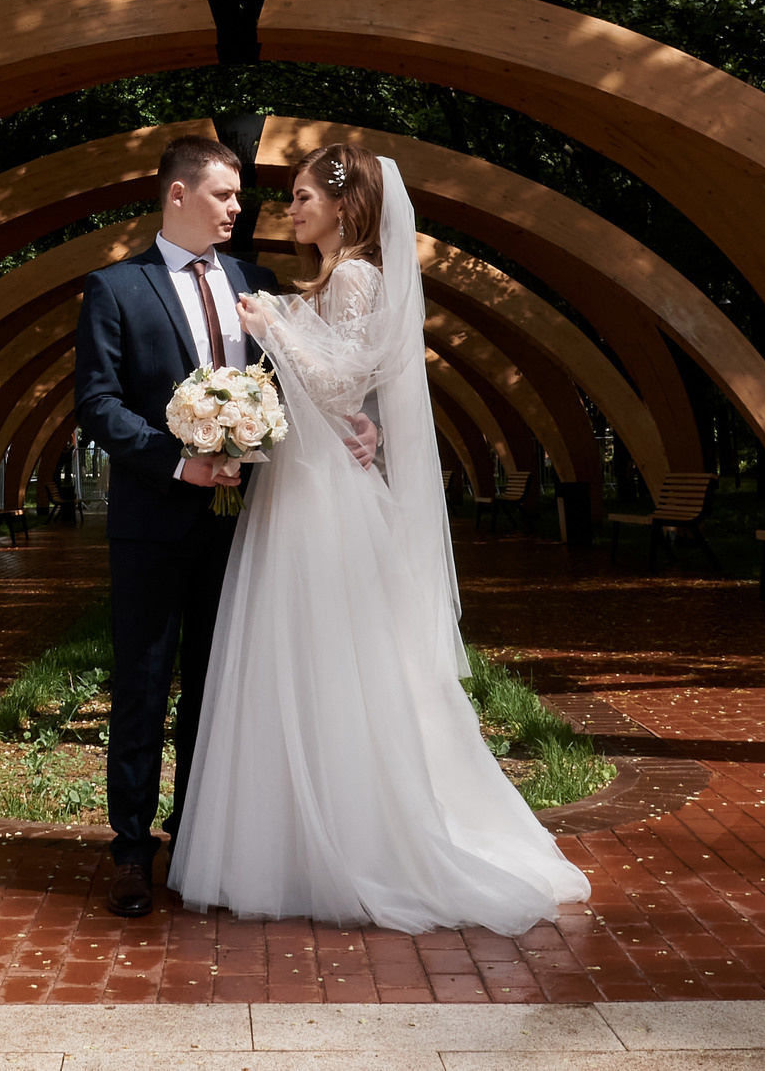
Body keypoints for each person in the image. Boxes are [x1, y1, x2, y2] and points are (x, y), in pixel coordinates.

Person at [169, 142, 592, 934]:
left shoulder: (358, 276)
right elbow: (339, 396)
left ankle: (349, 842)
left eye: (301, 197)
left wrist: (272, 329)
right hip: (303, 485)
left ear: (344, 206)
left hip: (324, 497)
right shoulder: (325, 282)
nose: (289, 210)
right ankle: (292, 840)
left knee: (331, 659)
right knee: (292, 659)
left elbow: (342, 382)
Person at [71, 135, 279, 919]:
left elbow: (285, 384)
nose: (238, 209)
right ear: (178, 196)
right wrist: (176, 460)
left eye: (240, 197)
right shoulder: (118, 288)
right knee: (143, 685)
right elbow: (98, 403)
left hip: (245, 528)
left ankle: (196, 837)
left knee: (218, 690)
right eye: (226, 195)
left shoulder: (257, 285)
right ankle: (130, 850)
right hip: (155, 522)